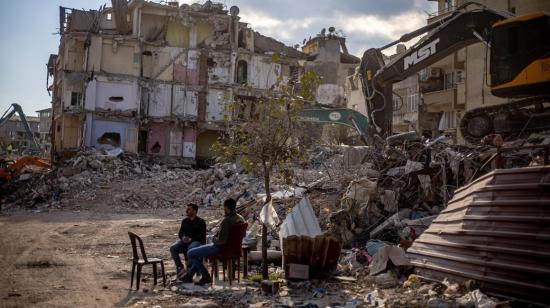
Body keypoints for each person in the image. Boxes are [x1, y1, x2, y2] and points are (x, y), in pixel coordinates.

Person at [182, 198, 244, 285]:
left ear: (226, 207)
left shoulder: (226, 221)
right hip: (233, 248)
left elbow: (222, 240)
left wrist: (213, 239)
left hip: (220, 248)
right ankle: (190, 274)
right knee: (197, 251)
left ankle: (205, 276)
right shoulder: (241, 218)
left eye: (224, 207)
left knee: (191, 253)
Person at [170, 203, 206, 278]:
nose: (186, 211)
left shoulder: (201, 222)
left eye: (189, 209)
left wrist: (191, 239)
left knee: (191, 248)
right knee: (173, 248)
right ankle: (180, 268)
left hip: (196, 242)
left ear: (195, 211)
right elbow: (180, 233)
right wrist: (183, 238)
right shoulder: (185, 221)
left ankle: (191, 271)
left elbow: (202, 236)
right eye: (187, 209)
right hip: (185, 241)